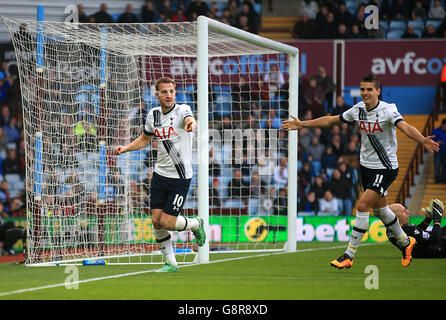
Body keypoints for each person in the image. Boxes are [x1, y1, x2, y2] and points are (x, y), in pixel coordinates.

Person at [282, 74, 440, 269]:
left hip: (386, 167)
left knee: (363, 206)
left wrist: (422, 140)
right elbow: (331, 121)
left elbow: (405, 127)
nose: (365, 93)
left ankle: (349, 255)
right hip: (366, 167)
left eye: (369, 90)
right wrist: (302, 124)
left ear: (378, 91)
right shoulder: (358, 110)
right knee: (381, 210)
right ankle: (407, 243)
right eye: (362, 89)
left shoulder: (388, 110)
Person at [115, 77, 205, 273]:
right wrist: (126, 148)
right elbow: (145, 139)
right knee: (156, 220)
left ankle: (195, 224)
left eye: (172, 91)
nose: (169, 95)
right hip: (160, 175)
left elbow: (191, 120)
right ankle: (171, 263)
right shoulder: (153, 115)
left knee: (168, 222)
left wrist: (191, 124)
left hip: (180, 177)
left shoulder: (183, 110)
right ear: (157, 95)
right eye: (164, 92)